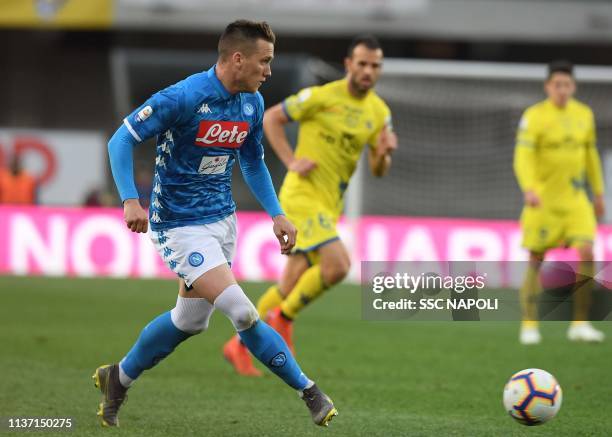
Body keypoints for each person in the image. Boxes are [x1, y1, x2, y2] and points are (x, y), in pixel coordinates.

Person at [93, 19, 337, 428]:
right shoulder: (184, 97)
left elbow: (253, 160)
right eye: (264, 61)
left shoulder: (251, 103)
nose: (269, 70)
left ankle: (116, 378)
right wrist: (129, 200)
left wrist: (276, 212)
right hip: (179, 225)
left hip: (222, 222)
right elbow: (121, 139)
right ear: (237, 59)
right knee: (241, 312)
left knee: (190, 320)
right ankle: (310, 391)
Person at [223, 35, 397, 374]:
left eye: (375, 66)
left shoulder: (379, 112)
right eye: (362, 63)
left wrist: (384, 152)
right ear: (349, 65)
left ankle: (239, 345)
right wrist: (290, 161)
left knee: (288, 285)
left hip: (329, 205)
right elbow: (272, 117)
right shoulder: (321, 97)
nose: (368, 71)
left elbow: (378, 170)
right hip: (302, 197)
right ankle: (284, 319)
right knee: (337, 265)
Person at [514, 60, 605, 345]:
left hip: (576, 200)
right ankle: (529, 324)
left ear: (573, 86)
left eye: (567, 85)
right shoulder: (534, 116)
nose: (562, 90)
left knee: (588, 252)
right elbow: (522, 157)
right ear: (548, 86)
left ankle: (580, 323)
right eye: (557, 85)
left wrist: (599, 193)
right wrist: (528, 188)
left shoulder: (584, 115)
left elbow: (591, 156)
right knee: (536, 259)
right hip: (543, 201)